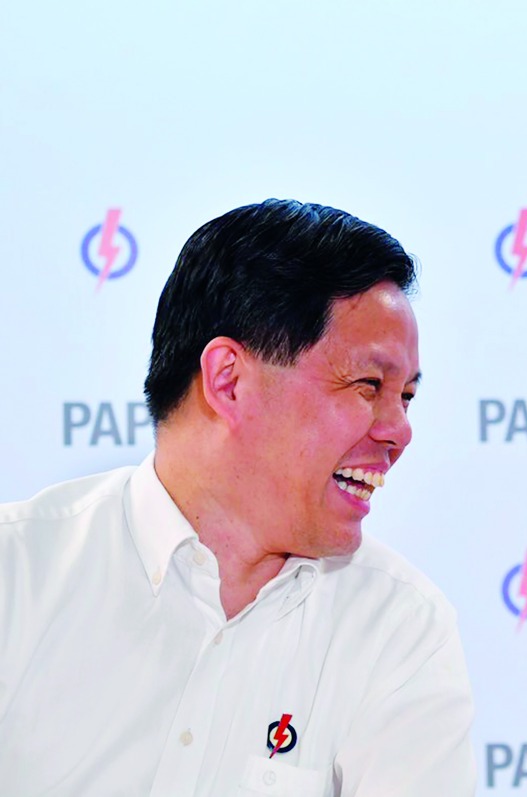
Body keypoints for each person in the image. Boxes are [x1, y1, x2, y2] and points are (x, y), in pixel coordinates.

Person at [0, 200, 475, 795]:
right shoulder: (17, 572)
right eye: (368, 385)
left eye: (406, 397)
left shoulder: (400, 628)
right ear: (228, 380)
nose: (399, 431)